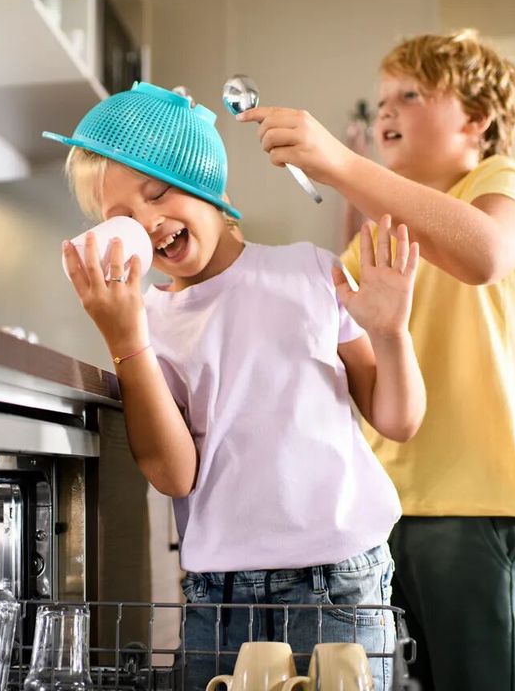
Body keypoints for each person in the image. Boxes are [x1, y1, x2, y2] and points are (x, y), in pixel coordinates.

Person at [44, 81, 426, 691]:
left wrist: (391, 332)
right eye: (122, 218)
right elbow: (174, 475)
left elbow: (399, 420)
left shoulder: (309, 271)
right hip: (218, 599)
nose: (147, 222)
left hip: (339, 584)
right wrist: (126, 338)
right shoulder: (147, 321)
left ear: (208, 181)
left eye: (158, 192)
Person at [239, 29, 515, 691]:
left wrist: (340, 164)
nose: (387, 108)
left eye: (410, 95)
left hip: (482, 505)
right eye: (383, 96)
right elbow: (322, 319)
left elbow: (484, 253)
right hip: (388, 508)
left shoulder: (502, 182)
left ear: (476, 120)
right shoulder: (384, 234)